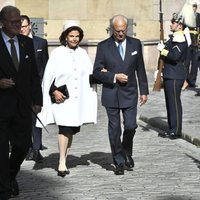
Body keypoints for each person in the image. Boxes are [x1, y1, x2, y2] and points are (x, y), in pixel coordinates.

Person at [36, 21, 97, 177]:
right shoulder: (57, 53)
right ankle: (62, 162)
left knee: (71, 130)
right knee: (65, 128)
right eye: (71, 36)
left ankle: (64, 158)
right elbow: (48, 76)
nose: (75, 39)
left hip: (78, 102)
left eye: (77, 36)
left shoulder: (83, 54)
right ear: (65, 37)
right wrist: (53, 90)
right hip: (63, 100)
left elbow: (90, 76)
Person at [93, 15, 149, 175]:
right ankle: (118, 160)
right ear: (112, 29)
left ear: (127, 29)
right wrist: (113, 76)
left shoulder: (135, 44)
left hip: (130, 92)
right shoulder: (103, 46)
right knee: (115, 128)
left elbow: (140, 69)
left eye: (123, 30)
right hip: (111, 93)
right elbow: (96, 71)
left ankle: (126, 151)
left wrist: (144, 91)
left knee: (131, 125)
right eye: (117, 31)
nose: (120, 34)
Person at [0, 5, 42, 199]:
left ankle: (10, 175)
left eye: (19, 21)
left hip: (23, 106)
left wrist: (37, 100)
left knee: (23, 146)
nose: (18, 24)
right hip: (1, 106)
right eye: (13, 22)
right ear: (3, 23)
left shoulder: (26, 42)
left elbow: (34, 75)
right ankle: (4, 189)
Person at [20, 14, 49, 163]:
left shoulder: (41, 43)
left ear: (30, 25)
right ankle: (28, 148)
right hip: (19, 89)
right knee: (23, 120)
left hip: (36, 88)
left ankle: (36, 149)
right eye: (19, 26)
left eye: (24, 26)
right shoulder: (15, 43)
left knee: (36, 119)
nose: (22, 29)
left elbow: (46, 66)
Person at [157, 13, 189, 139]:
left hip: (176, 75)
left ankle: (176, 130)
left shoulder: (181, 39)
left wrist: (162, 49)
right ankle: (171, 128)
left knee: (174, 103)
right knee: (169, 103)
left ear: (180, 26)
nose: (171, 24)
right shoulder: (174, 38)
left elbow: (174, 56)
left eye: (173, 22)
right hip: (170, 74)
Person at [183, 3, 200, 89]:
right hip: (188, 44)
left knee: (195, 64)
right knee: (186, 63)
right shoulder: (186, 17)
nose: (194, 8)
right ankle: (185, 81)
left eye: (195, 7)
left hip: (196, 43)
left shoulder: (198, 16)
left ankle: (192, 81)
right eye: (192, 7)